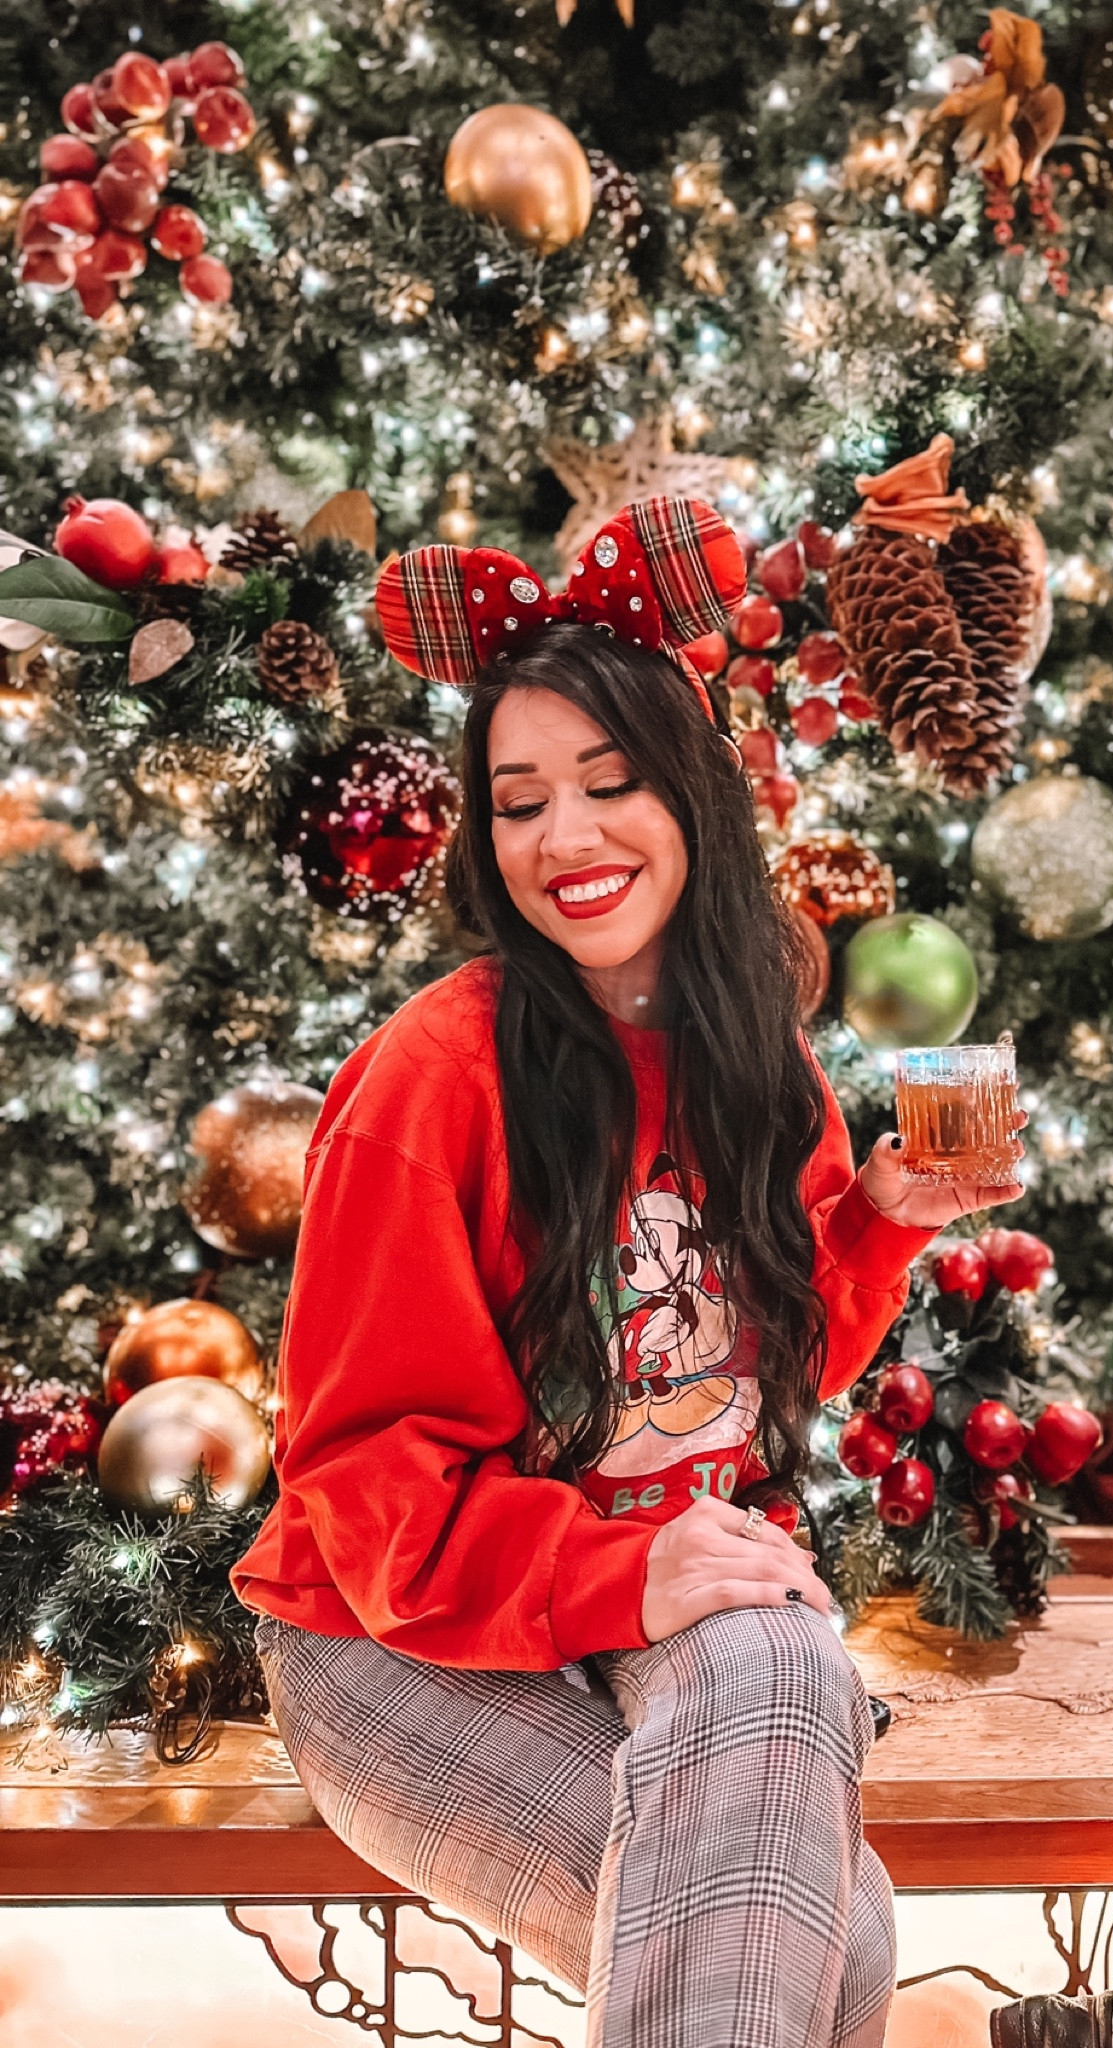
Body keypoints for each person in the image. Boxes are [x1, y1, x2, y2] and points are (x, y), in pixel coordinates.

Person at [234, 498, 1023, 2048]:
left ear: (692, 797)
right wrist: (618, 1571)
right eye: (518, 803)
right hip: (384, 1640)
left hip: (639, 1602)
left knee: (787, 1660)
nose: (566, 840)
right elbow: (363, 1483)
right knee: (835, 1944)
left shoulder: (758, 1060)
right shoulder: (435, 1077)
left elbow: (749, 1377)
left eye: (608, 785)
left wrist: (874, 1217)